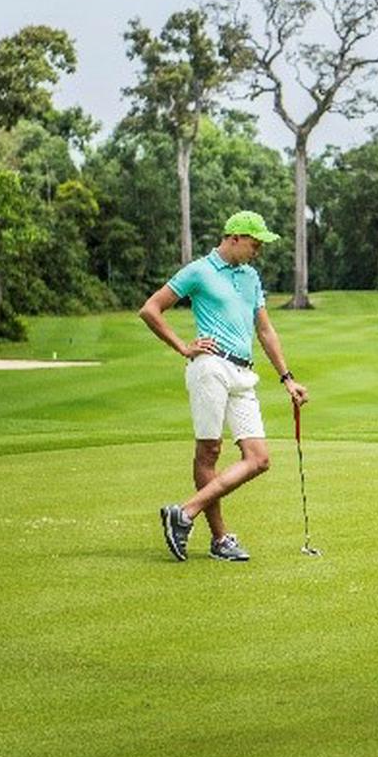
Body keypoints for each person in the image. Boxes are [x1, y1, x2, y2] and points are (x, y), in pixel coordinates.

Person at [139, 210, 309, 562]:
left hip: (243, 373)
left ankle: (184, 512)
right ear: (234, 238)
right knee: (210, 451)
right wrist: (183, 347)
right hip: (210, 368)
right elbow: (151, 309)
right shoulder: (199, 271)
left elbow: (265, 331)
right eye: (254, 244)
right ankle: (220, 540)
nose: (258, 251)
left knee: (259, 459)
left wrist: (287, 377)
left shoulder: (251, 277)